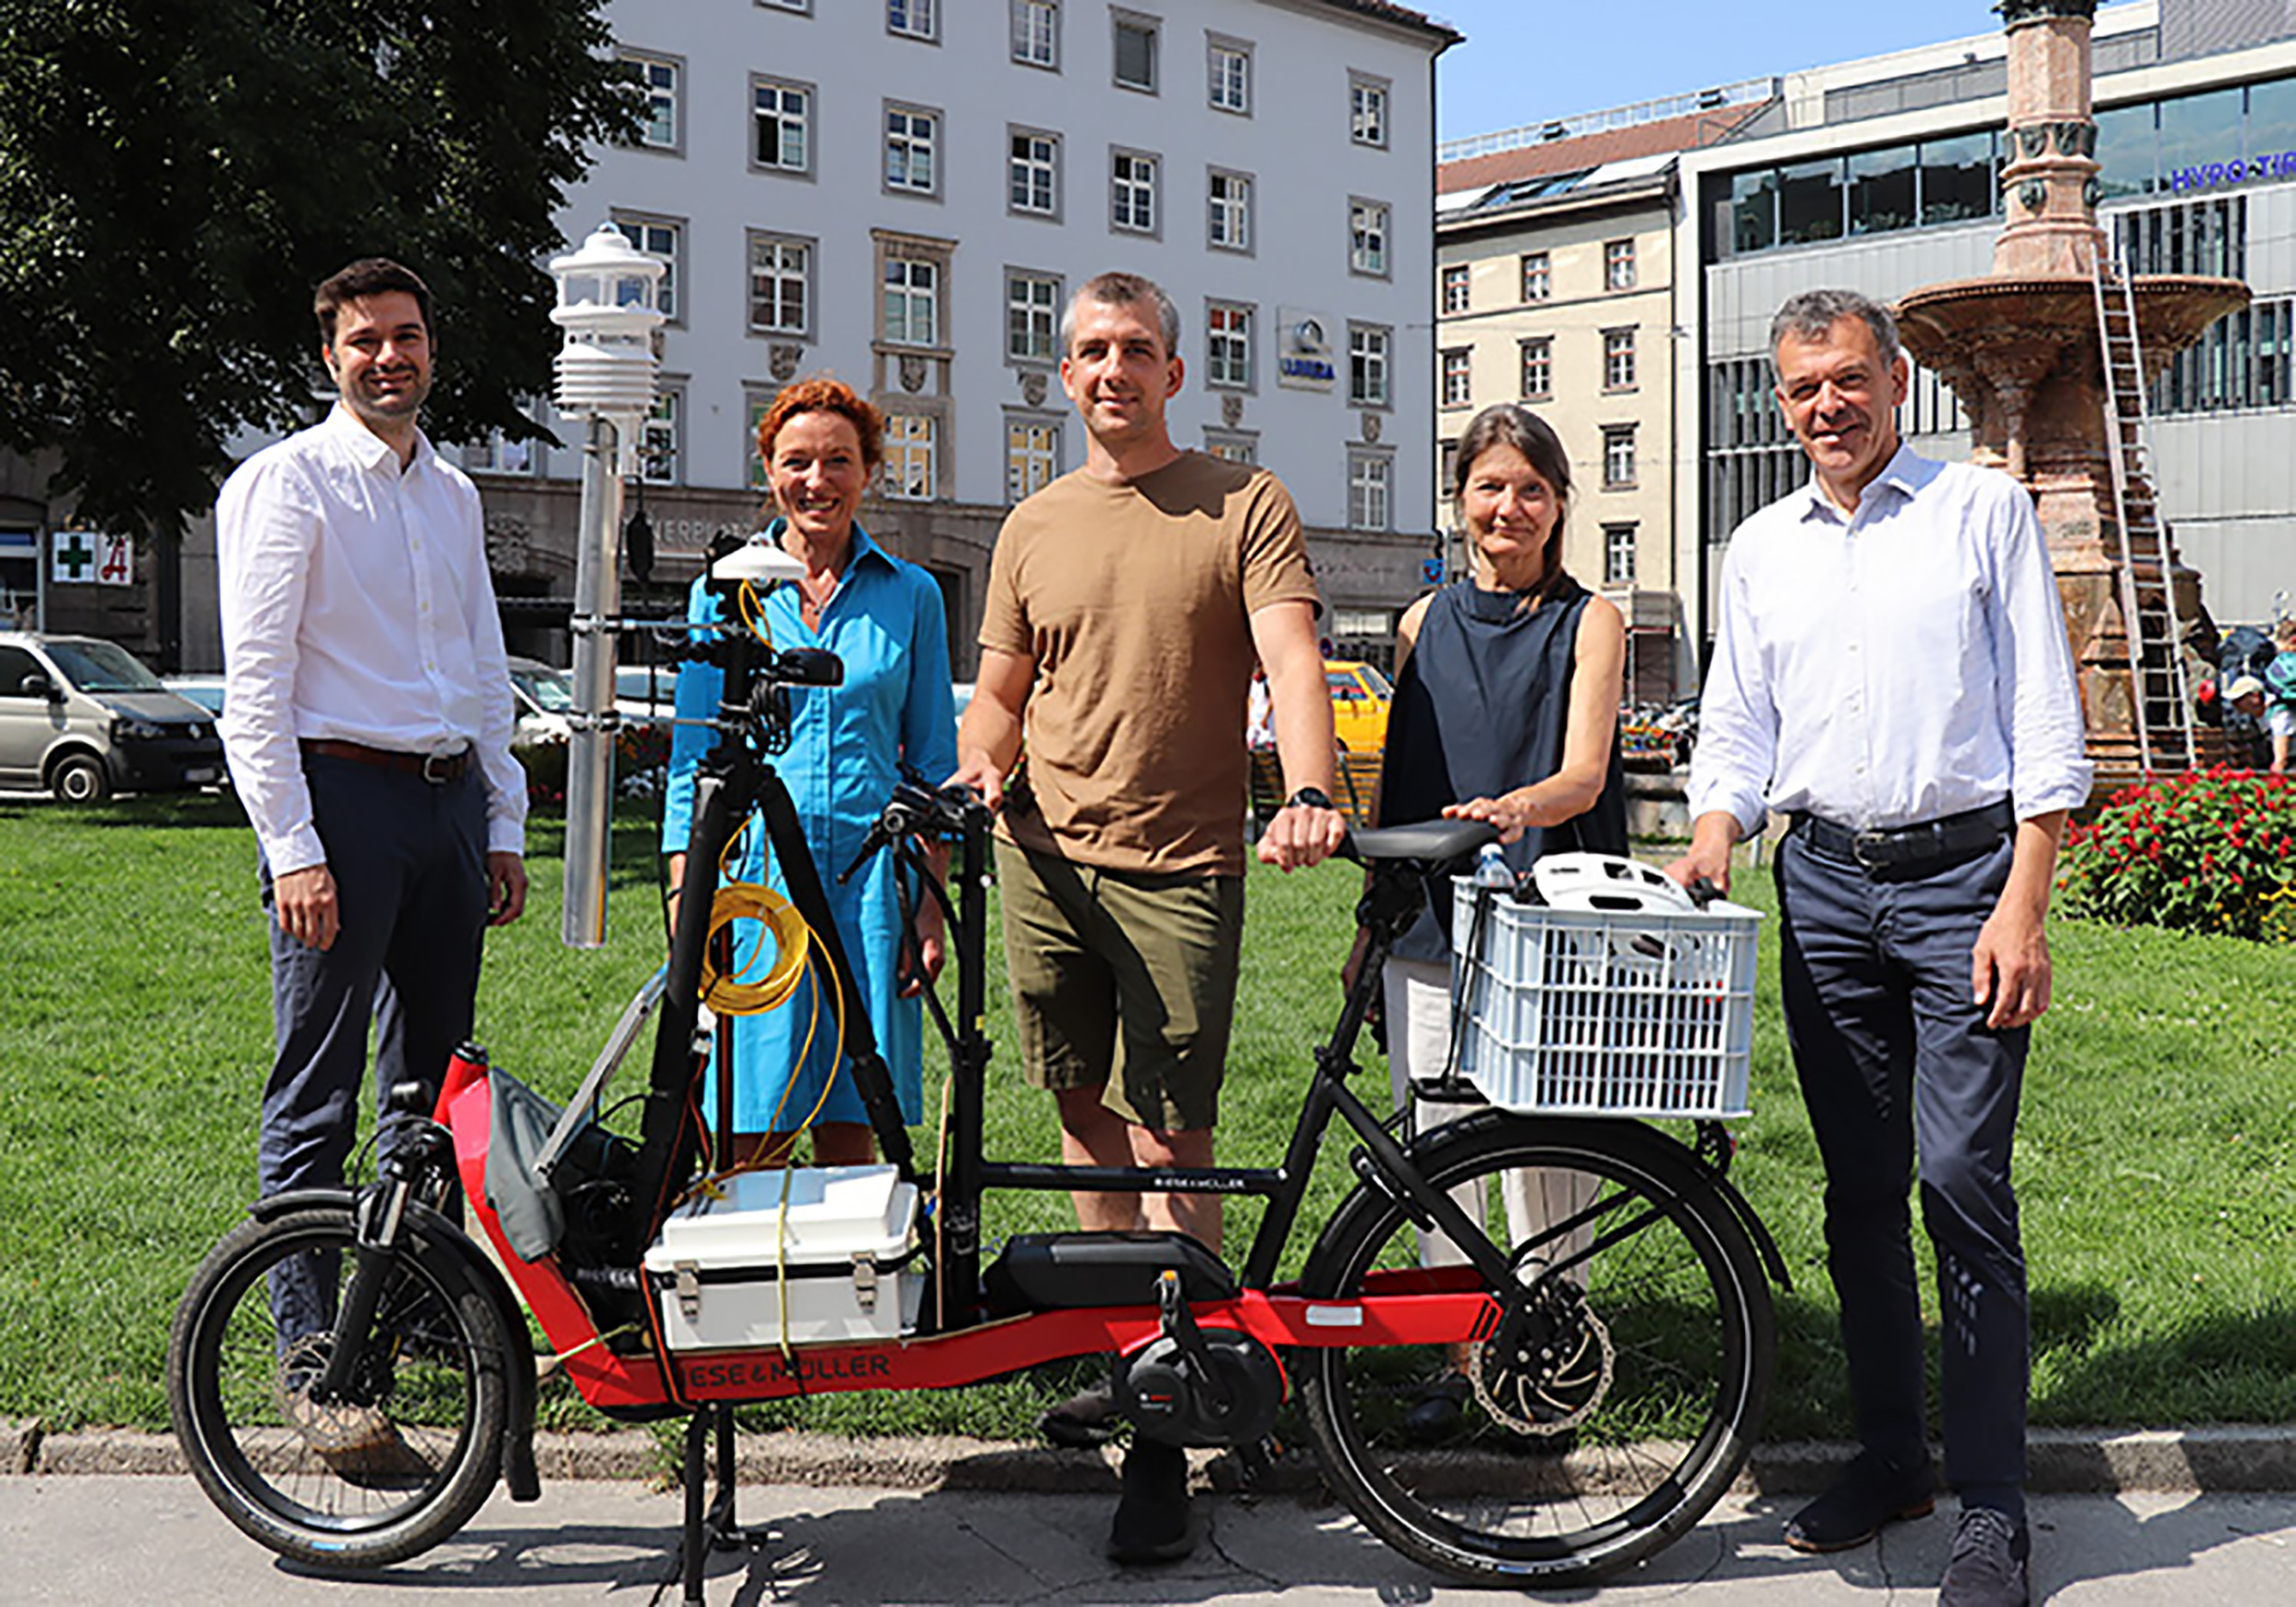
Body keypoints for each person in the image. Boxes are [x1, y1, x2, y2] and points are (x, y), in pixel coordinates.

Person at [1668, 288, 2090, 1607]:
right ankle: (1892, 1456)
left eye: (1847, 379)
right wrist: (1711, 834)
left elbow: (2043, 717)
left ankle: (1994, 1503)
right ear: (1781, 401)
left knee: (1961, 1179)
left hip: (1967, 879)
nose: (1825, 407)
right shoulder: (1762, 545)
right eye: (1802, 389)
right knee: (1858, 1191)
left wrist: (2024, 899)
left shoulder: (1981, 511)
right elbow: (1736, 722)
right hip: (1827, 888)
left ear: (1897, 381)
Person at [949, 269, 1347, 1564]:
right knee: (1079, 1111)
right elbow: (1003, 689)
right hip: (1043, 856)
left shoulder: (1243, 501)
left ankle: (1177, 1421)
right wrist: (978, 761)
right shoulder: (1033, 523)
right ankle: (1128, 1347)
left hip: (1182, 861)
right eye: (1086, 352)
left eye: (1133, 349)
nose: (1109, 369)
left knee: (1176, 1136)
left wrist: (1310, 788)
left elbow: (1291, 657)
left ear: (1176, 370)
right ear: (1062, 377)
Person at [216, 257, 529, 1465]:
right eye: (363, 340)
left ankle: (391, 1331)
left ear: (432, 349)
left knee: (430, 1094)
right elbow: (257, 688)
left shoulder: (448, 493)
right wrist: (293, 846)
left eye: (405, 336)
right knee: (317, 1094)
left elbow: (483, 663)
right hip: (340, 802)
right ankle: (312, 1364)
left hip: (446, 807)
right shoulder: (286, 483)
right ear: (330, 357)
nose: (387, 356)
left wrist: (500, 820)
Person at [1347, 403, 1628, 1441]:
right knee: (1437, 1133)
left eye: (1530, 489)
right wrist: (1365, 929)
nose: (1507, 507)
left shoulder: (1587, 619)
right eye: (1489, 486)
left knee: (1549, 1138)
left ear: (1557, 506)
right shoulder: (1422, 623)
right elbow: (1400, 784)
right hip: (1425, 912)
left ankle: (1553, 1343)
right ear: (1460, 499)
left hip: (1544, 903)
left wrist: (1512, 809)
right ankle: (1454, 1352)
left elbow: (1585, 772)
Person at [662, 377, 957, 1168]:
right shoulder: (726, 593)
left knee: (854, 1117)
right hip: (756, 890)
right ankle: (742, 1286)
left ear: (869, 472)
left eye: (838, 460)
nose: (817, 480)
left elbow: (932, 763)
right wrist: (686, 898)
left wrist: (927, 908)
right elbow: (694, 759)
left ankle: (849, 1287)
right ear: (769, 471)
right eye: (797, 461)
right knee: (746, 1121)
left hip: (871, 886)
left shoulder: (913, 594)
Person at [2261, 618, 2296, 774]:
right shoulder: (2287, 661)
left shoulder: (2280, 662)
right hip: (2287, 711)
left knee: (2280, 758)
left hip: (2281, 712)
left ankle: (2277, 780)